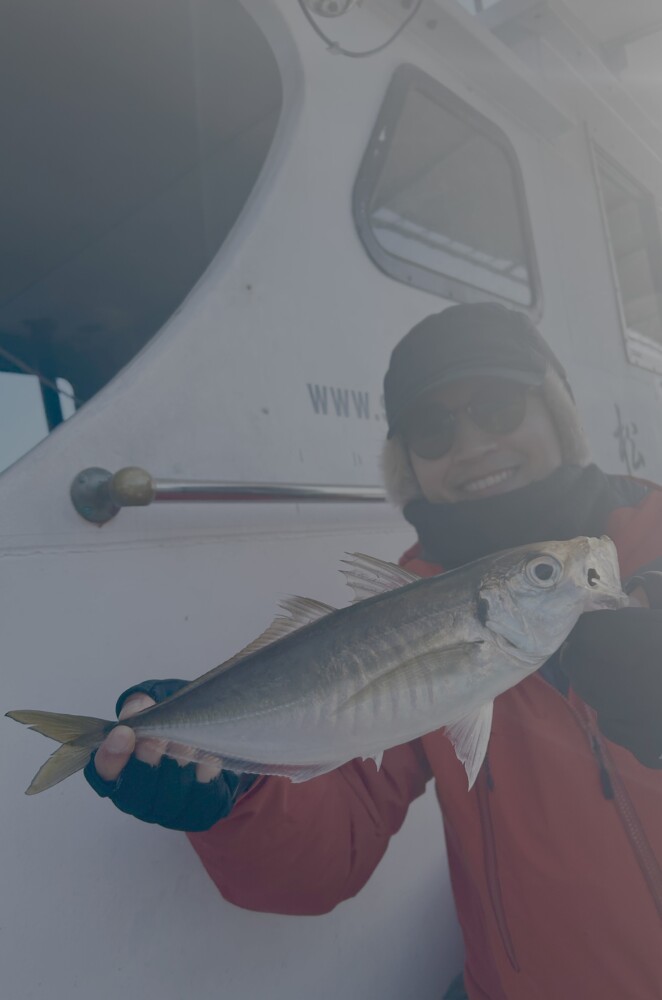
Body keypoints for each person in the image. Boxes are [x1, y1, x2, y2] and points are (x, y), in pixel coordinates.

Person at [85, 303, 662, 1000]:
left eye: (501, 406)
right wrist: (238, 790)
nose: (474, 445)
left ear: (558, 413)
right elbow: (330, 845)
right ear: (408, 462)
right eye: (433, 427)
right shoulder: (406, 607)